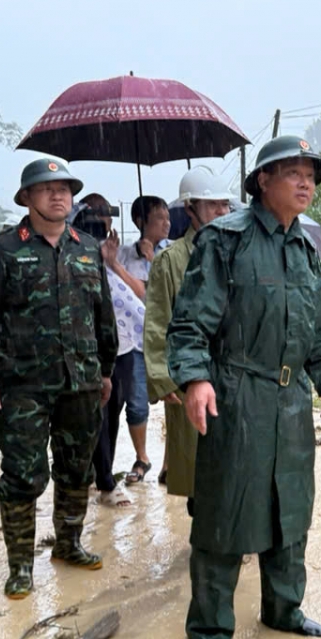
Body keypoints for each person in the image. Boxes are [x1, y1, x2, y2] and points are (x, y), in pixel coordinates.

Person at [167, 135, 321, 639]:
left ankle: (284, 609)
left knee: (291, 506)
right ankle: (210, 627)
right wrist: (195, 379)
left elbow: (314, 329)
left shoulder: (305, 249)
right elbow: (189, 323)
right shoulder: (226, 240)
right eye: (293, 172)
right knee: (228, 508)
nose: (305, 182)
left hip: (290, 400)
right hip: (237, 393)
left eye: (311, 174)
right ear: (263, 180)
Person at [0, 158, 118, 599]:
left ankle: (68, 544)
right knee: (22, 475)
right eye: (47, 189)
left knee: (77, 468)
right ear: (27, 198)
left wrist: (106, 369)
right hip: (22, 385)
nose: (59, 196)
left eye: (65, 189)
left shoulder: (86, 248)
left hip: (82, 379)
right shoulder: (1, 250)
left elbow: (102, 314)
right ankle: (20, 567)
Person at [143, 167, 231, 506]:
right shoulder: (171, 261)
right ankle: (206, 544)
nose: (221, 213)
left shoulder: (238, 252)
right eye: (212, 206)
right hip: (190, 376)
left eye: (225, 205)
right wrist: (164, 380)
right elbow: (158, 322)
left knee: (236, 460)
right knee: (197, 464)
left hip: (235, 375)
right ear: (191, 208)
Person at [73, 193, 142, 508]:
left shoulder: (123, 252)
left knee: (112, 411)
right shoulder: (74, 248)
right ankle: (102, 478)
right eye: (97, 220)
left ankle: (101, 471)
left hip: (122, 345)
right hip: (89, 347)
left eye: (107, 218)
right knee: (94, 412)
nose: (104, 225)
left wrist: (111, 261)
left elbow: (138, 293)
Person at [115, 195, 169, 484]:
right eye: (158, 217)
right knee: (136, 402)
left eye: (166, 216)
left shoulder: (171, 252)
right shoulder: (121, 255)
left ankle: (170, 463)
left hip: (166, 339)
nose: (166, 222)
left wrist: (154, 260)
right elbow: (132, 293)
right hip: (134, 341)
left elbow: (158, 293)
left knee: (174, 399)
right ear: (140, 222)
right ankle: (142, 458)